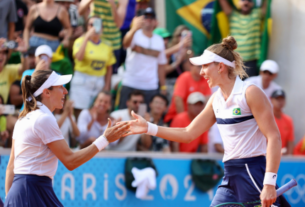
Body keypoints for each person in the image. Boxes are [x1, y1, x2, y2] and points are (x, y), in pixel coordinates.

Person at [120, 36, 288, 207]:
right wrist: (148, 127)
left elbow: (274, 137)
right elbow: (188, 134)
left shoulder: (250, 93)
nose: (201, 72)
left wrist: (269, 183)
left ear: (221, 67)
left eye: (205, 66)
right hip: (229, 174)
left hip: (252, 172)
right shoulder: (215, 99)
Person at [4, 70, 129, 206]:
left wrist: (10, 199)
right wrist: (105, 139)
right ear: (46, 92)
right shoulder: (43, 119)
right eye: (60, 87)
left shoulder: (23, 119)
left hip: (23, 192)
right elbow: (71, 161)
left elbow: (11, 167)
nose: (65, 91)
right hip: (32, 191)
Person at [119, 7, 167, 109]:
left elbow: (161, 65)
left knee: (145, 118)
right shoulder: (134, 34)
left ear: (155, 21)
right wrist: (133, 28)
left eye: (151, 17)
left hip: (150, 86)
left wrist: (163, 86)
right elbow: (125, 44)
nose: (148, 19)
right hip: (131, 83)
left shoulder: (159, 40)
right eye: (145, 16)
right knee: (124, 118)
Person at [70, 16, 116, 120]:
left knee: (97, 112)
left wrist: (107, 86)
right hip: (82, 80)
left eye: (98, 25)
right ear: (87, 27)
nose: (94, 28)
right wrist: (86, 38)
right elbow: (79, 57)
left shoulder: (107, 44)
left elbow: (109, 67)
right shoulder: (79, 41)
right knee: (80, 113)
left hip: (99, 81)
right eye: (91, 24)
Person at [78, 0, 128, 73]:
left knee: (110, 77)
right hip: (94, 40)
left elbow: (119, 24)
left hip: (112, 43)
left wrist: (112, 4)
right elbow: (80, 11)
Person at [219, 0, 266, 77]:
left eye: (249, 0)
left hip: (251, 62)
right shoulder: (232, 14)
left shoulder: (257, 14)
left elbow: (266, 7)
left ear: (253, 3)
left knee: (248, 87)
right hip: (234, 60)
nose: (246, 2)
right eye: (243, 0)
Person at [164, 58, 211, 123]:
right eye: (199, 66)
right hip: (176, 117)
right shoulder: (184, 77)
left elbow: (207, 101)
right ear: (191, 66)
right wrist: (184, 120)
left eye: (204, 66)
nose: (202, 69)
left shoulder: (205, 79)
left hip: (195, 119)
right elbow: (178, 99)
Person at [270, 89, 294, 155]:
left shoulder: (288, 120)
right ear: (271, 100)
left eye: (282, 99)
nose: (280, 101)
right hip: (268, 155)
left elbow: (290, 142)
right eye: (277, 99)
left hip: (283, 157)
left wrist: (289, 157)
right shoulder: (267, 118)